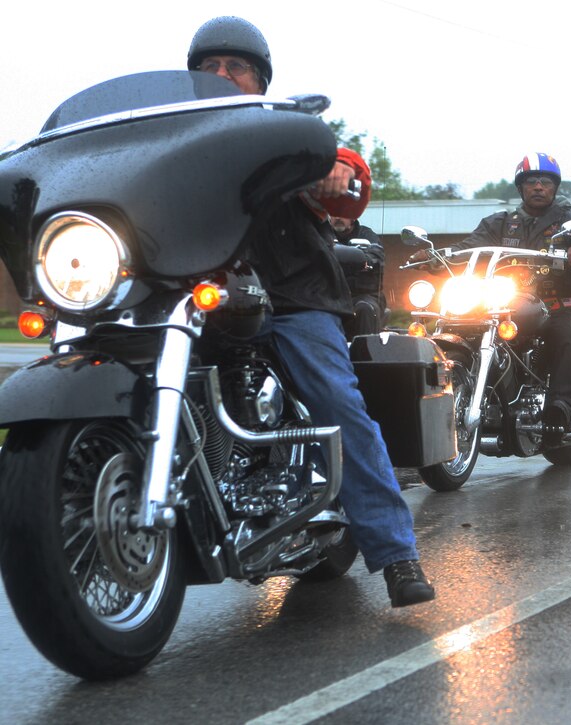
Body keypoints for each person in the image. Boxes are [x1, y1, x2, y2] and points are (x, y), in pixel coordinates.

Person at [188, 16, 434, 607]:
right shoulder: (171, 139)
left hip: (290, 293)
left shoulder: (281, 130)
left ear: (260, 79)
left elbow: (332, 164)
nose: (221, 76)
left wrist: (332, 168)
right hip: (196, 295)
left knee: (333, 397)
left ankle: (396, 552)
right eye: (209, 68)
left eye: (235, 67)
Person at [413, 152, 571, 445]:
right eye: (531, 182)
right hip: (505, 301)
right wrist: (434, 258)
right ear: (521, 188)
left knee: (567, 336)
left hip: (556, 304)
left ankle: (561, 410)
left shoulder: (570, 218)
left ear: (554, 187)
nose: (539, 187)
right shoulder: (502, 222)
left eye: (545, 181)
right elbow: (467, 248)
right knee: (459, 323)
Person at [330, 201, 387, 337]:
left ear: (353, 216)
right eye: (334, 213)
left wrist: (362, 258)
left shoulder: (366, 235)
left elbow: (376, 257)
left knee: (364, 308)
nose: (338, 217)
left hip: (362, 295)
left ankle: (365, 354)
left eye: (342, 213)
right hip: (328, 296)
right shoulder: (321, 235)